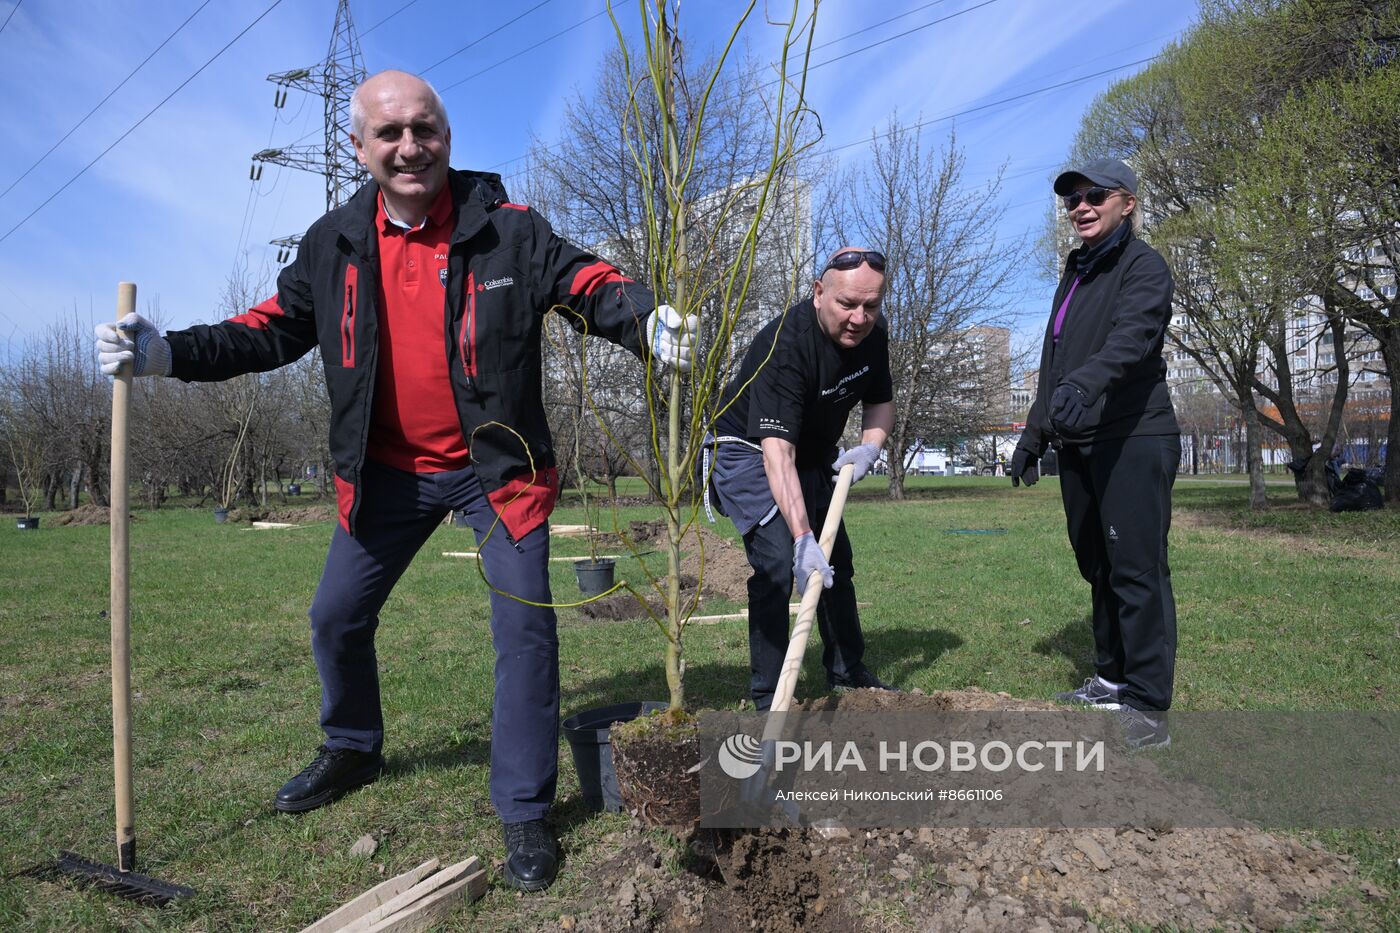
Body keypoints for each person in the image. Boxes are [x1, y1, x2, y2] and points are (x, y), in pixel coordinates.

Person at [94, 70, 695, 893]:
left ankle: (523, 807)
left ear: (447, 136)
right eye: (391, 133)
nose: (411, 146)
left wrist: (647, 316)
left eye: (426, 129)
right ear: (360, 146)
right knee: (335, 615)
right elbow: (268, 331)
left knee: (526, 636)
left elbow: (585, 281)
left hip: (496, 473)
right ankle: (351, 745)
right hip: (386, 477)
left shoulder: (509, 230)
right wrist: (168, 353)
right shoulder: (333, 243)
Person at [1010, 158, 1180, 749]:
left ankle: (1149, 703)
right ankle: (1111, 678)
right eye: (1071, 201)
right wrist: (1034, 435)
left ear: (1126, 202)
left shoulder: (1144, 266)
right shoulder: (1075, 273)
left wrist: (1088, 384)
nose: (1081, 207)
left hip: (1133, 435)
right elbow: (1053, 361)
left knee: (1137, 569)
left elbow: (1132, 339)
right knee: (1097, 565)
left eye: (1095, 196)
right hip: (1079, 440)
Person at [703, 248, 897, 711]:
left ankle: (847, 671)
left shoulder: (874, 335)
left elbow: (880, 400)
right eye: (847, 304)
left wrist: (872, 446)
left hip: (810, 454)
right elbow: (777, 452)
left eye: (871, 306)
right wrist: (802, 536)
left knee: (836, 567)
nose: (859, 317)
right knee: (776, 563)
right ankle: (771, 696)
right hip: (748, 451)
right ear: (818, 293)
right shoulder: (786, 347)